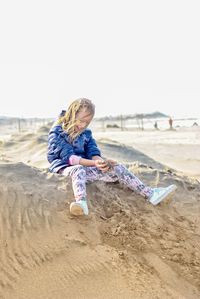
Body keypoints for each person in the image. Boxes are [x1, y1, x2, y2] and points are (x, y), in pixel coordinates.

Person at [47, 98, 177, 216]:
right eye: (80, 121)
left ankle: (150, 194)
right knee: (78, 169)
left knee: (117, 168)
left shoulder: (86, 133)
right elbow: (69, 158)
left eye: (86, 123)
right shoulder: (58, 131)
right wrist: (93, 164)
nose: (82, 125)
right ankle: (81, 203)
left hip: (84, 167)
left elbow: (93, 152)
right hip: (64, 167)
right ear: (72, 114)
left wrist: (101, 162)